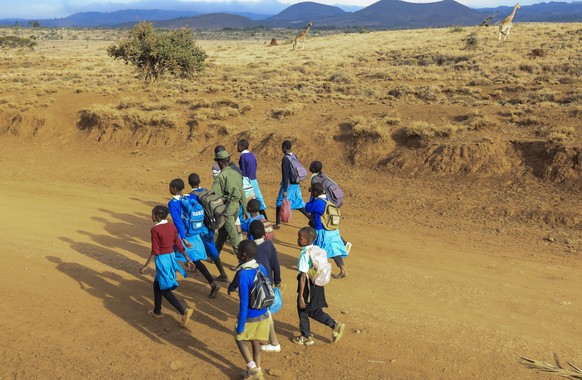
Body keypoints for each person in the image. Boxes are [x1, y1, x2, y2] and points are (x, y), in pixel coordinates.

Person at [139, 205, 194, 327]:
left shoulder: (155, 230)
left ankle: (184, 311)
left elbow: (155, 250)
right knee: (157, 284)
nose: (151, 216)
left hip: (162, 260)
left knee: (164, 289)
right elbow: (178, 244)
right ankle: (157, 311)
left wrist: (145, 266)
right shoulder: (171, 226)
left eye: (152, 214)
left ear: (157, 216)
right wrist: (188, 259)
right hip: (170, 258)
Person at [168, 178, 220, 298]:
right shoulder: (190, 198)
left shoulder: (173, 203)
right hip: (195, 234)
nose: (169, 189)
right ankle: (212, 283)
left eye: (170, 187)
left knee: (170, 255)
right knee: (196, 259)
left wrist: (184, 238)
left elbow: (178, 222)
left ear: (174, 189)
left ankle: (168, 283)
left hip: (184, 235)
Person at [294, 227, 345, 346]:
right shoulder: (316, 249)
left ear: (307, 241)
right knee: (314, 310)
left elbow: (302, 276)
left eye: (300, 238)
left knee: (303, 309)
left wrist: (301, 295)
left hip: (307, 286)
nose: (297, 240)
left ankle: (306, 336)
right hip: (317, 284)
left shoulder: (305, 254)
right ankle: (333, 325)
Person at [232, 240, 273, 380]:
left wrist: (241, 325)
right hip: (263, 313)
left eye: (238, 252)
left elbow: (244, 303)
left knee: (239, 339)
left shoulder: (244, 274)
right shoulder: (261, 267)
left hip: (250, 314)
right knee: (255, 341)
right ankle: (257, 370)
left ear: (242, 255)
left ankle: (253, 369)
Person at [187, 172, 229, 283]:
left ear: (189, 183)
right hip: (211, 223)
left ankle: (223, 274)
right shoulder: (206, 191)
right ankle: (195, 265)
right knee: (206, 244)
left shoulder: (191, 197)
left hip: (201, 226)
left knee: (207, 247)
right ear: (199, 181)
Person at [305, 183, 348, 279]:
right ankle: (342, 269)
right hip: (332, 230)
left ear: (315, 192)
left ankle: (317, 270)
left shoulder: (318, 202)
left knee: (317, 250)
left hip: (322, 230)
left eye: (312, 191)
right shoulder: (328, 200)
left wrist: (312, 197)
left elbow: (308, 207)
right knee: (335, 251)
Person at [309, 160, 351, 254]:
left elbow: (315, 193)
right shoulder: (323, 176)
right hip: (332, 203)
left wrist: (312, 204)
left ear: (313, 169)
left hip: (324, 205)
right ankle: (343, 243)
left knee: (325, 226)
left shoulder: (314, 179)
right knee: (330, 225)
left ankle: (341, 243)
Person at [213, 150, 247, 256]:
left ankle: (242, 259)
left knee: (233, 235)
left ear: (220, 162)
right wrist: (245, 209)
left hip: (227, 208)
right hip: (237, 206)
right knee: (223, 232)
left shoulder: (221, 176)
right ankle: (214, 254)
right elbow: (242, 192)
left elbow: (216, 196)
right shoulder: (237, 173)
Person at [274, 140, 310, 229]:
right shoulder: (294, 156)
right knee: (299, 204)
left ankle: (277, 223)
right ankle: (312, 218)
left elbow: (285, 175)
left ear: (284, 148)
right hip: (296, 185)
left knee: (279, 202)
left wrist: (285, 189)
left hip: (289, 185)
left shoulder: (285, 159)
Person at [237, 139, 268, 220]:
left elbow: (243, 172)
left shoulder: (243, 157)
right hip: (254, 180)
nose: (237, 147)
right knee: (258, 199)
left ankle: (246, 220)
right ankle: (265, 219)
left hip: (247, 181)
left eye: (238, 145)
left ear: (242, 146)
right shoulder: (252, 155)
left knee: (246, 200)